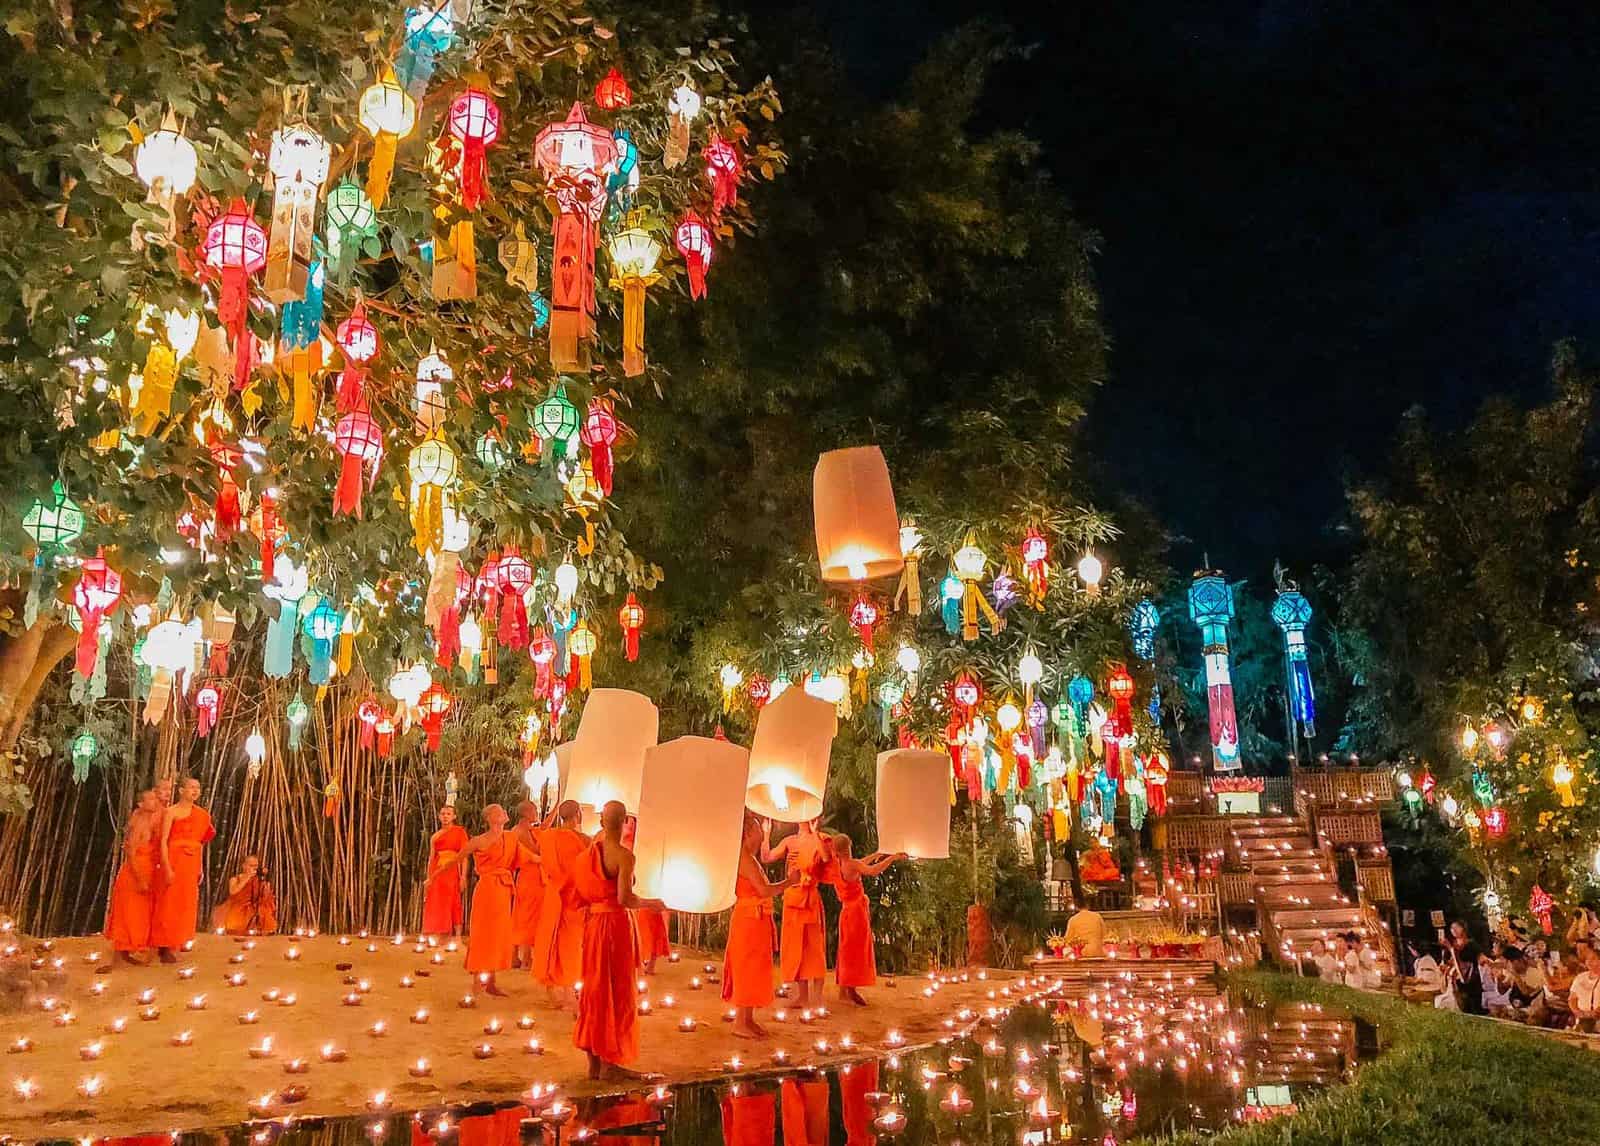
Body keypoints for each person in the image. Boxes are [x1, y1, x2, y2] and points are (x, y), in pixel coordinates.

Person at [572, 800, 665, 1080]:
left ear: (601, 821)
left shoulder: (587, 855)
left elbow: (581, 892)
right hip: (615, 926)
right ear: (625, 822)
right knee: (617, 990)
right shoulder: (624, 857)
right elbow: (625, 898)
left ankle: (594, 1063)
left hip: (594, 926)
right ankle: (611, 1062)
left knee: (594, 989)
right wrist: (652, 903)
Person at [427, 804, 517, 996]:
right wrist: (433, 876)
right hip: (486, 893)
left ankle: (491, 982)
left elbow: (528, 857)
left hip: (502, 892)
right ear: (492, 818)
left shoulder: (511, 838)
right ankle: (476, 984)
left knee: (497, 936)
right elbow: (456, 859)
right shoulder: (478, 841)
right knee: (483, 936)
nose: (506, 813)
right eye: (501, 811)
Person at [725, 812, 798, 1039]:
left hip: (755, 920)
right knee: (747, 967)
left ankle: (748, 1019)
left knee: (755, 967)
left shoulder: (749, 857)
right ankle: (740, 1022)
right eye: (759, 830)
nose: (762, 834)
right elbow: (764, 891)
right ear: (748, 832)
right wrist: (790, 882)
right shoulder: (743, 858)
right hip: (748, 920)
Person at [762, 818, 832, 1009]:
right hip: (793, 898)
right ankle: (802, 997)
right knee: (796, 948)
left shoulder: (822, 838)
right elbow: (766, 857)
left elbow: (826, 858)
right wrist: (766, 834)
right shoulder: (789, 841)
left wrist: (815, 832)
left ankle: (817, 998)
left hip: (810, 899)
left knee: (815, 949)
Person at [827, 835, 905, 1005]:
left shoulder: (839, 865)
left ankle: (845, 987)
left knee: (847, 948)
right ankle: (851, 988)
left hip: (846, 911)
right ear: (849, 846)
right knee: (855, 950)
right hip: (856, 913)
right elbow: (872, 870)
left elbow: (861, 863)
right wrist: (892, 858)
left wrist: (877, 854)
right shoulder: (852, 865)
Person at [150, 777, 215, 964]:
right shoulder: (171, 812)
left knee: (186, 902)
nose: (195, 791)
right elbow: (163, 841)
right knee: (169, 901)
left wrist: (200, 867)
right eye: (191, 787)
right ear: (181, 790)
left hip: (191, 862)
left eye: (198, 788)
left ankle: (177, 941)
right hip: (174, 859)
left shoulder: (202, 815)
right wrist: (166, 867)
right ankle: (164, 945)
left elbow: (200, 842)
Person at [531, 800, 589, 1009]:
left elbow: (540, 851)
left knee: (551, 939)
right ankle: (567, 990)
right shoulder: (583, 839)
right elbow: (588, 867)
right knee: (570, 944)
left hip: (553, 894)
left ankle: (553, 986)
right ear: (578, 816)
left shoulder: (547, 836)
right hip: (573, 897)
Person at [105, 789, 162, 964]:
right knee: (129, 914)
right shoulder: (137, 823)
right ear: (141, 804)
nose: (155, 801)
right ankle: (121, 954)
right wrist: (139, 879)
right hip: (135, 873)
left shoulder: (149, 820)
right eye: (150, 799)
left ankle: (129, 952)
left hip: (147, 870)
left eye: (155, 798)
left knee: (141, 913)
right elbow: (130, 852)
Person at [421, 806, 469, 938]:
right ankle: (438, 933)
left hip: (452, 871)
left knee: (454, 901)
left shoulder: (460, 832)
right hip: (437, 872)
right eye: (443, 814)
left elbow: (464, 856)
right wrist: (429, 878)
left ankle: (458, 935)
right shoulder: (435, 836)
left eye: (448, 814)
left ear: (454, 816)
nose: (445, 816)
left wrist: (463, 877)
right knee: (436, 901)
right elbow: (431, 859)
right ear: (439, 816)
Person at [510, 802, 543, 970]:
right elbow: (536, 850)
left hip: (533, 876)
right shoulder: (520, 831)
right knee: (527, 916)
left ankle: (519, 957)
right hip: (529, 877)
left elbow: (543, 828)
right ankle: (525, 959)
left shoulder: (527, 829)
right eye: (535, 810)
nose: (537, 813)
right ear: (527, 813)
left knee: (526, 915)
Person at [213, 854, 278, 935]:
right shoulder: (235, 879)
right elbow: (233, 892)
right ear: (244, 866)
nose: (254, 868)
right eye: (251, 865)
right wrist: (246, 878)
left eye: (256, 866)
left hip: (254, 909)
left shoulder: (259, 880)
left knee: (262, 912)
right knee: (235, 924)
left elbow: (264, 898)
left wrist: (266, 888)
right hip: (239, 909)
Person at [1568, 945, 1600, 1033]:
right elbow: (1572, 999)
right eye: (1587, 959)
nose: (1589, 962)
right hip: (1581, 1018)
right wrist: (1577, 1012)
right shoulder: (1580, 977)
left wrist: (1594, 1013)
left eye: (1593, 959)